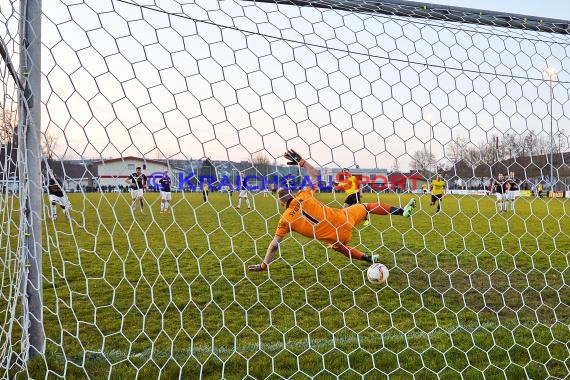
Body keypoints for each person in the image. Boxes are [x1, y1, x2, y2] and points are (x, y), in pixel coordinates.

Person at [248, 150, 416, 272]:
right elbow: (316, 174)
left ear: (281, 203)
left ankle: (368, 258)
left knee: (338, 247)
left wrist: (264, 265)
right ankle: (403, 211)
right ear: (292, 193)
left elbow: (274, 246)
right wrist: (303, 163)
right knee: (367, 207)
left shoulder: (285, 220)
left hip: (338, 237)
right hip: (344, 218)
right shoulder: (304, 195)